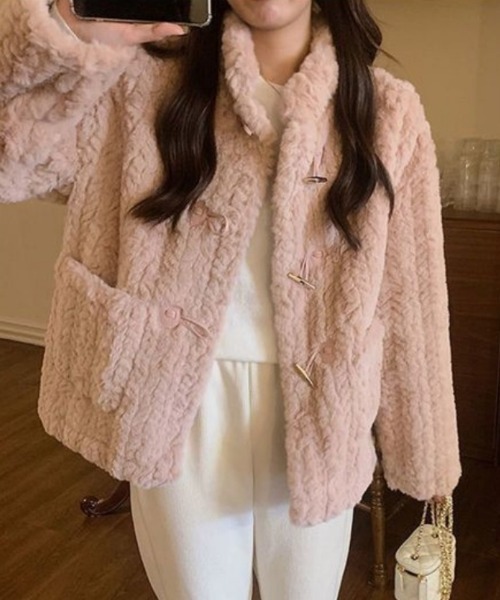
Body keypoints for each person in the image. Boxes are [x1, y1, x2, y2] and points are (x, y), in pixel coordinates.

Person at [0, 0, 461, 598]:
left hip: (323, 411)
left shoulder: (388, 111)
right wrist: (63, 35)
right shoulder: (137, 82)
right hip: (175, 401)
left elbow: (411, 294)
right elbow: (13, 163)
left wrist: (427, 454)